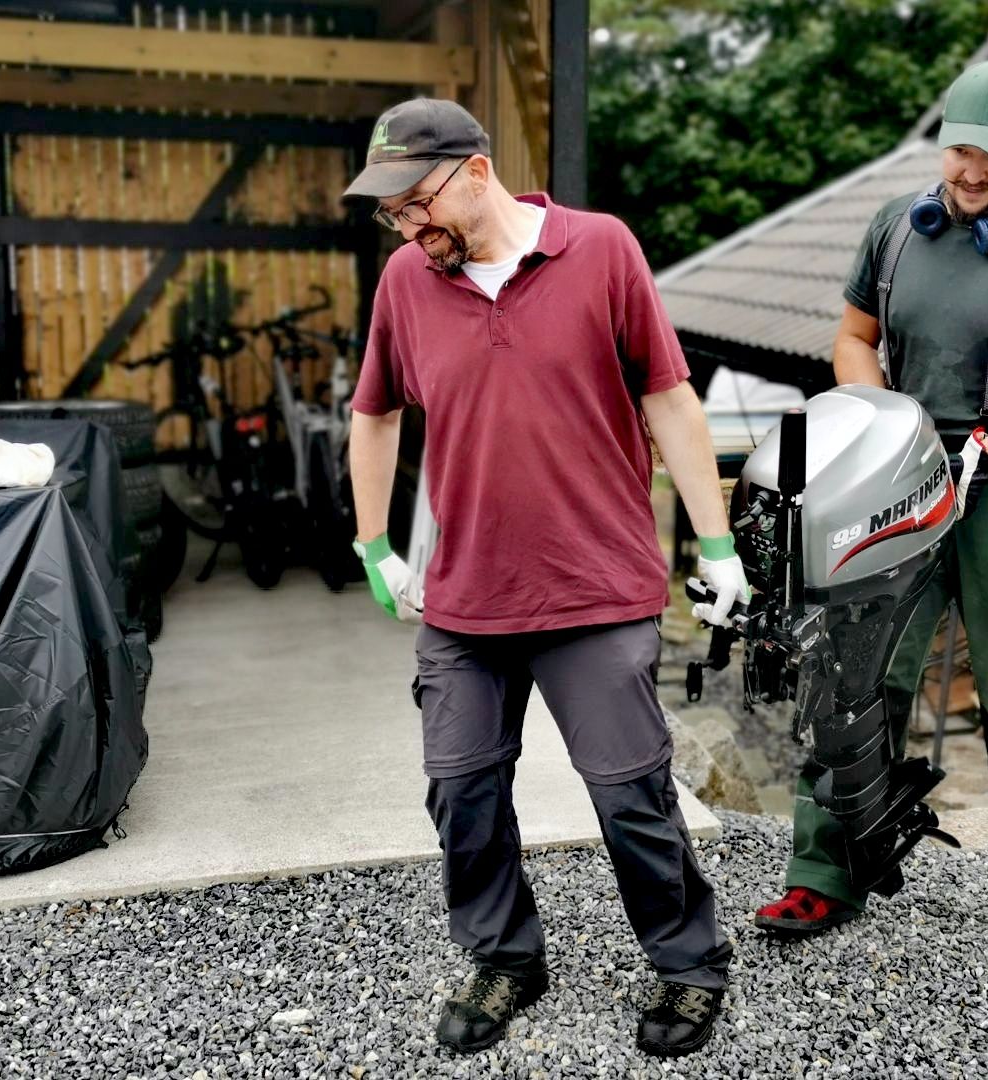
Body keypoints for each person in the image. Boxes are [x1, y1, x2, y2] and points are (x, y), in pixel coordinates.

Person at [342, 98, 747, 1058]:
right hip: (468, 595)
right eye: (391, 211)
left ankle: (689, 965)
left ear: (476, 172)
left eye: (415, 201)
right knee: (461, 787)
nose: (406, 223)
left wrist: (717, 543)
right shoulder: (406, 280)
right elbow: (374, 415)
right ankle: (505, 958)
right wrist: (374, 545)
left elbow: (669, 398)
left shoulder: (601, 250)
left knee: (629, 793)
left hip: (594, 587)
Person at [752, 59, 988, 948]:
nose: (971, 170)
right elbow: (854, 338)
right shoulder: (894, 228)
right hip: (901, 477)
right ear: (942, 139)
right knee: (853, 672)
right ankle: (825, 870)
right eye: (960, 149)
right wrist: (883, 424)